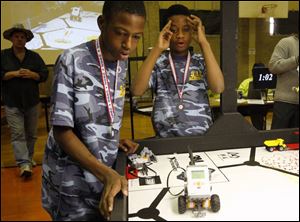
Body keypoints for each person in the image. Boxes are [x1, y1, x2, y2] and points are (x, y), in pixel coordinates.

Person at [41, 1, 145, 220]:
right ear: (102, 23)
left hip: (101, 178)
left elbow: (99, 112)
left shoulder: (120, 62)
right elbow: (62, 131)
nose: (128, 44)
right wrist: (106, 173)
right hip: (71, 184)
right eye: (120, 33)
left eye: (136, 36)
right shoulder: (72, 60)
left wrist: (108, 140)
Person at [131, 4, 224, 138]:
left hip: (201, 137)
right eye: (174, 30)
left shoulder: (200, 61)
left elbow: (219, 87)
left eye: (186, 30)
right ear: (166, 32)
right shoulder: (159, 62)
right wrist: (158, 48)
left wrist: (204, 43)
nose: (180, 35)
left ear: (193, 32)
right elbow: (136, 90)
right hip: (165, 139)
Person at [1, 24, 48, 178]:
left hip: (32, 102)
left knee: (31, 134)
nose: (20, 39)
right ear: (11, 39)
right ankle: (24, 163)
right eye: (17, 37)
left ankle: (28, 158)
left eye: (23, 37)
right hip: (12, 102)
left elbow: (44, 74)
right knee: (17, 134)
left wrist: (33, 75)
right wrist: (13, 74)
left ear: (26, 40)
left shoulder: (34, 56)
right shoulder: (3, 56)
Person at [268, 34, 299, 129]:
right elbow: (273, 66)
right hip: (285, 103)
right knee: (278, 138)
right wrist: (296, 60)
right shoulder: (286, 42)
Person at [237, 63, 269, 130]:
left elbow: (270, 94)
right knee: (256, 111)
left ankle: (259, 130)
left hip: (261, 106)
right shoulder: (246, 82)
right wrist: (246, 97)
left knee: (258, 110)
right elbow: (239, 93)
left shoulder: (266, 82)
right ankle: (256, 130)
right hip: (247, 106)